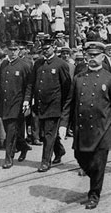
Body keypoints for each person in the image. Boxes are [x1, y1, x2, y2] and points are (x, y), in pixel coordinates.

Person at [61, 42, 111, 210]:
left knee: (98, 164)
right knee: (80, 158)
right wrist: (63, 124)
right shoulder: (79, 78)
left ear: (103, 57)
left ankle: (94, 194)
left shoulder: (110, 79)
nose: (91, 58)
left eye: (95, 55)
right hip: (82, 128)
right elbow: (69, 103)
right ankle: (95, 179)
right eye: (89, 55)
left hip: (102, 129)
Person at [23, 38, 71, 172]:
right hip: (39, 105)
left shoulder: (61, 64)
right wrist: (27, 99)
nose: (45, 51)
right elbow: (31, 83)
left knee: (48, 134)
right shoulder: (38, 63)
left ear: (54, 48)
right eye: (43, 49)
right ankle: (59, 150)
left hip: (54, 105)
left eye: (48, 48)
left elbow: (67, 87)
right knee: (45, 133)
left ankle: (45, 161)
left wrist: (63, 107)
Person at [0, 41, 32, 169]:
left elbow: (29, 85)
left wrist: (26, 100)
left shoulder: (24, 65)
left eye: (15, 50)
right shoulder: (4, 64)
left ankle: (8, 158)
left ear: (19, 51)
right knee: (11, 131)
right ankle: (23, 147)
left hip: (17, 103)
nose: (12, 52)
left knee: (11, 132)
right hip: (5, 103)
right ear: (7, 50)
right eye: (10, 49)